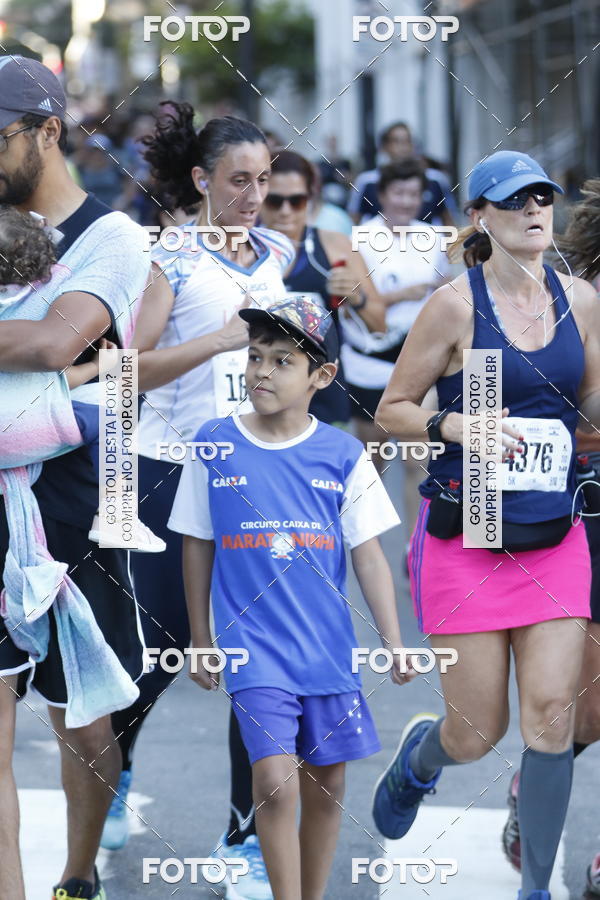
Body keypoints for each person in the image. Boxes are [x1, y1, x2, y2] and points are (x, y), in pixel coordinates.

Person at [104, 103, 331, 900]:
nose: (255, 195)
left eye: (264, 180)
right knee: (158, 659)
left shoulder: (277, 251)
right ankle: (115, 771)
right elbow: (126, 370)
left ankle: (241, 837)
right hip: (168, 473)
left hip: (251, 478)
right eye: (239, 180)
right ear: (201, 180)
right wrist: (218, 341)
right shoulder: (168, 257)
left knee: (256, 664)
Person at [370, 150, 600, 900]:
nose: (534, 210)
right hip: (468, 534)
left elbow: (592, 406)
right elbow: (391, 410)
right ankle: (420, 762)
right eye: (513, 200)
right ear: (479, 217)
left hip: (555, 534)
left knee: (551, 719)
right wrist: (455, 424)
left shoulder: (581, 300)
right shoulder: (454, 306)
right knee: (475, 733)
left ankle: (535, 889)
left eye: (542, 198)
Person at [168, 295, 413, 900]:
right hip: (252, 649)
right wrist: (200, 640)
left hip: (327, 649)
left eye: (282, 361)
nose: (262, 372)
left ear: (320, 377)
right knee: (274, 782)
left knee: (327, 786)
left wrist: (393, 642)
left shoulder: (343, 454)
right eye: (255, 356)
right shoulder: (214, 443)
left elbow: (368, 555)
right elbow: (197, 543)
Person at [0, 56, 150, 900]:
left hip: (84, 494)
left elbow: (55, 342)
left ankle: (78, 872)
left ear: (47, 131)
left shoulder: (113, 237)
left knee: (85, 723)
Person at [500, 178, 600, 897]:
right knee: (586, 704)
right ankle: (533, 779)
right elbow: (564, 415)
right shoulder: (580, 300)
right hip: (587, 501)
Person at [0, 205, 164, 552]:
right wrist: (98, 367)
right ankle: (117, 517)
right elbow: (59, 382)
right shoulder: (34, 308)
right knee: (115, 407)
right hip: (25, 430)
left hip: (17, 437)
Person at [342, 159, 450, 531]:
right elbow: (350, 303)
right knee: (374, 459)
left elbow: (445, 291)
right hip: (370, 360)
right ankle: (363, 539)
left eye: (413, 194)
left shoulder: (433, 237)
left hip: (420, 359)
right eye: (398, 193)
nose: (406, 201)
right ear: (383, 195)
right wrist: (403, 294)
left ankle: (411, 547)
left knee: (416, 460)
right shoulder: (361, 238)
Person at [258, 148, 385, 426]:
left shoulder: (335, 245)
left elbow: (379, 325)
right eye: (275, 201)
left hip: (321, 394)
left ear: (311, 198)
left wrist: (357, 298)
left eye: (296, 200)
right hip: (257, 389)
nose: (285, 211)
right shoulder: (239, 247)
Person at [347, 121, 457, 226]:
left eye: (408, 141)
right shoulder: (367, 182)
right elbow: (354, 220)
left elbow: (448, 221)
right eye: (397, 141)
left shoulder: (435, 180)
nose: (403, 147)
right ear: (384, 147)